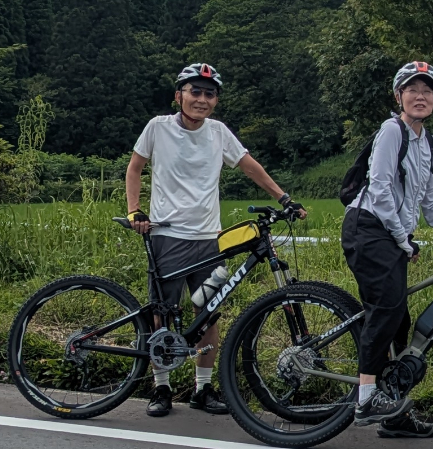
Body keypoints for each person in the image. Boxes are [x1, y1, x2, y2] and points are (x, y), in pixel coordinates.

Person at [125, 62, 303, 419]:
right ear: (179, 95)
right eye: (195, 92)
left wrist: (284, 198)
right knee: (163, 314)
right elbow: (135, 167)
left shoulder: (219, 132)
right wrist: (134, 211)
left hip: (209, 239)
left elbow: (249, 165)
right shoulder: (157, 128)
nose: (201, 100)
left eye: (209, 94)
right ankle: (161, 387)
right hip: (166, 235)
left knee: (206, 314)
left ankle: (202, 388)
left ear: (215, 101)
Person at [341, 61, 433, 438]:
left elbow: (431, 201)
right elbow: (378, 190)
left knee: (401, 324)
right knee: (388, 309)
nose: (420, 96)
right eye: (412, 89)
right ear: (399, 97)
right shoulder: (391, 131)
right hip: (368, 228)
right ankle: (365, 398)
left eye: (428, 91)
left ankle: (394, 413)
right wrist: (401, 237)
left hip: (391, 235)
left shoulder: (427, 142)